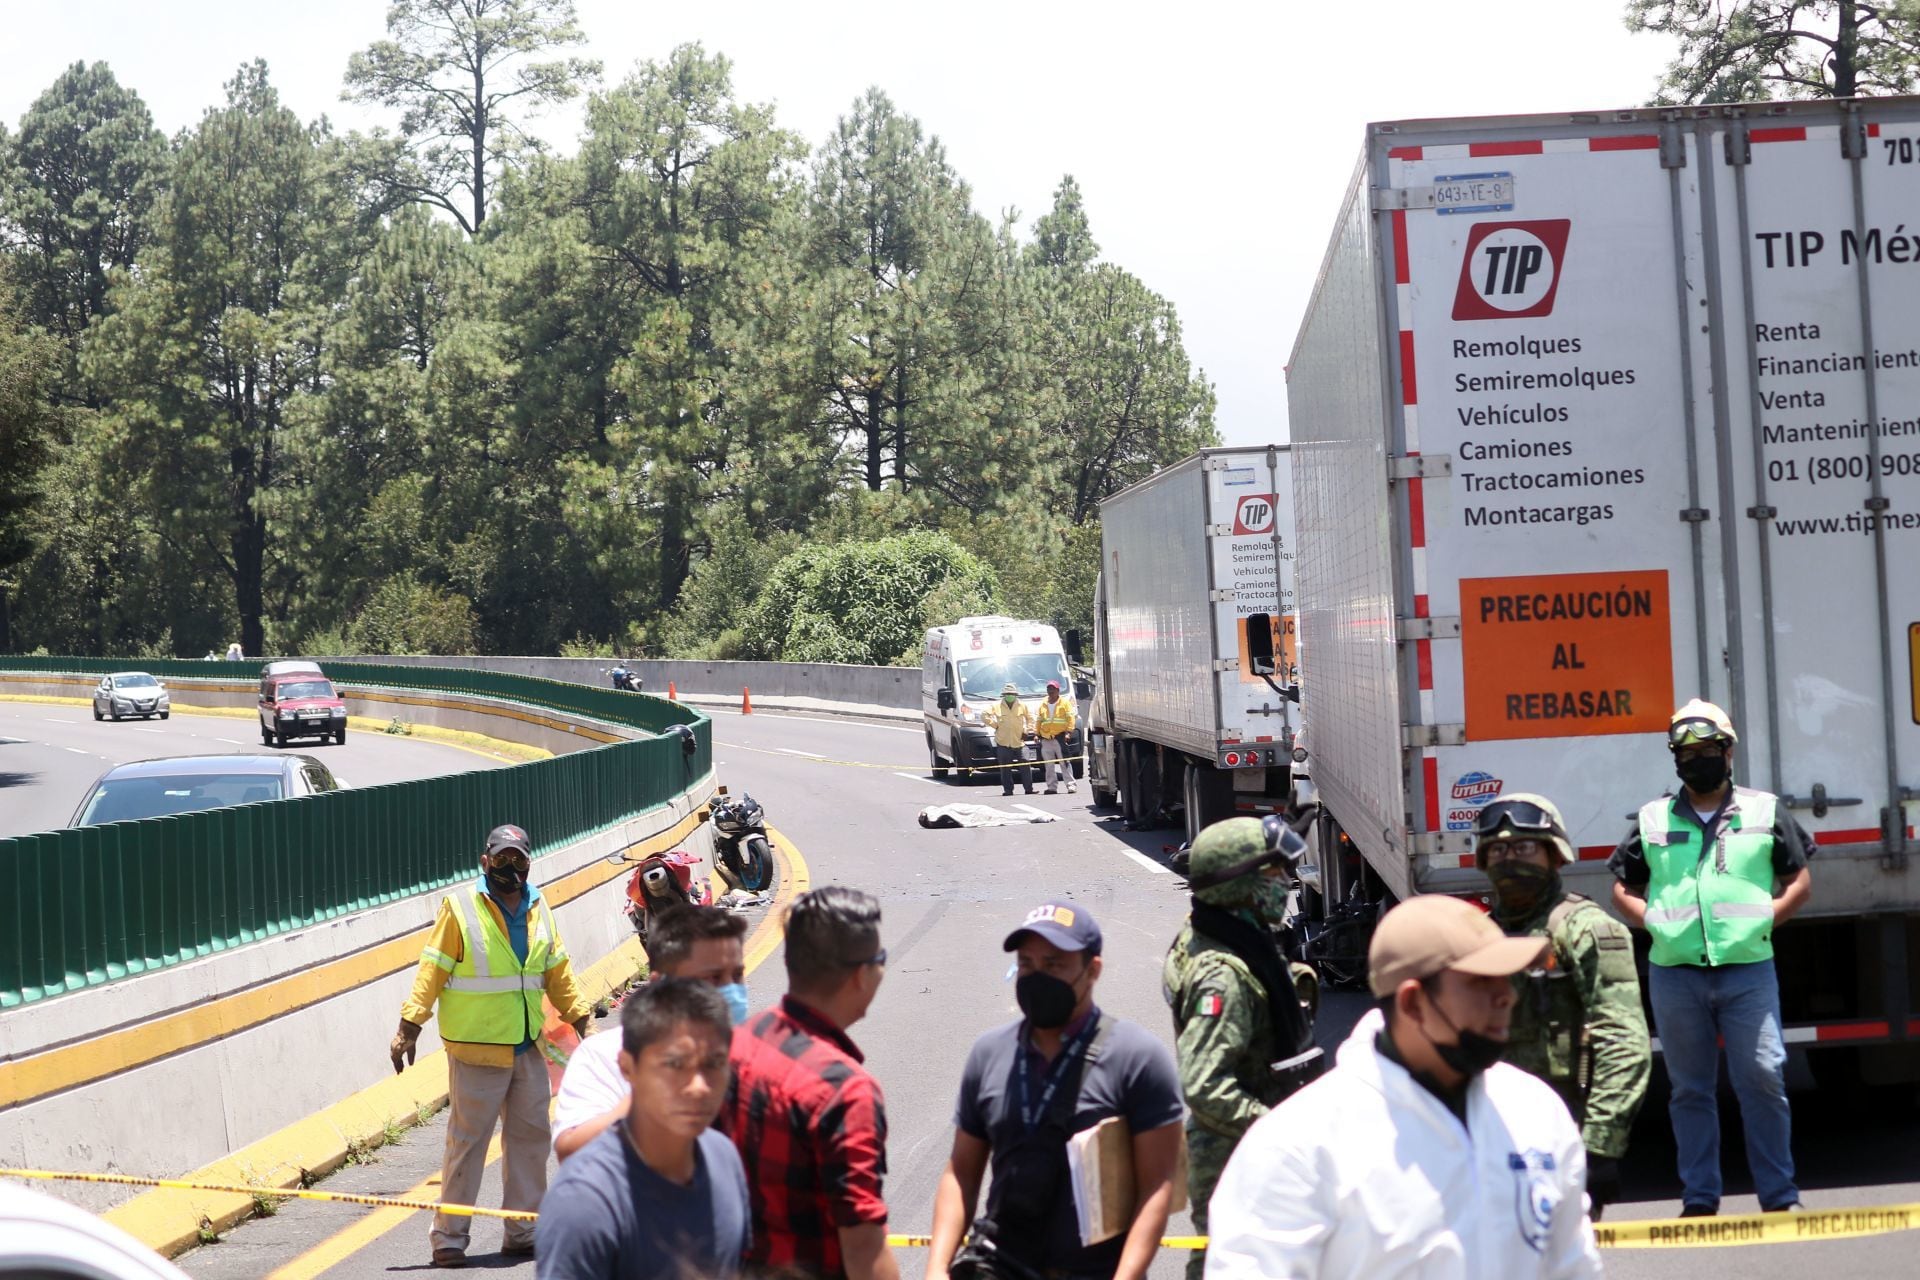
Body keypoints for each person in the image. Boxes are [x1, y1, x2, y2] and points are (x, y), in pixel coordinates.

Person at [1203, 895, 1601, 1279]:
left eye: (1508, 979)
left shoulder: (1535, 1110)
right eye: (1481, 982)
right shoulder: (1298, 1146)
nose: (1507, 996)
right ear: (1412, 1003)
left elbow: (1573, 1265)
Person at [1609, 698, 1813, 1217]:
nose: (1695, 759)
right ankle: (1699, 1198)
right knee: (1689, 1090)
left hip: (1748, 969)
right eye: (1685, 752)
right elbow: (1622, 889)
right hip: (1675, 974)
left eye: (1706, 749)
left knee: (1764, 1078)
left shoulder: (1764, 811)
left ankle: (1780, 1196)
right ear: (1674, 759)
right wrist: (1650, 919)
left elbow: (1799, 880)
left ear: (1728, 752)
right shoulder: (1653, 818)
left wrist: (1769, 916)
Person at [928, 903, 1185, 1280]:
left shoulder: (1138, 1058)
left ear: (1092, 971)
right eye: (1027, 964)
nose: (1036, 976)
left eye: (1054, 964)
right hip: (1003, 1267)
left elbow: (1157, 1185)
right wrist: (937, 1267)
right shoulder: (989, 1054)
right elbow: (961, 1173)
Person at [389, 823, 595, 1269]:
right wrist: (410, 1024)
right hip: (476, 1049)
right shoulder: (461, 907)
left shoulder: (539, 905)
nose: (509, 867)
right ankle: (448, 1238)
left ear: (528, 862)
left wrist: (582, 1019)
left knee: (531, 1140)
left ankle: (522, 1231)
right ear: (485, 861)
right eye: (500, 858)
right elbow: (433, 967)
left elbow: (557, 969)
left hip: (526, 1045)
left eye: (517, 859)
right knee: (468, 1143)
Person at [1473, 792, 1648, 1220]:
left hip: (1560, 1137)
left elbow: (1623, 1040)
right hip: (1485, 1138)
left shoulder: (1586, 929)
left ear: (1555, 856)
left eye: (1525, 848)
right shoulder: (1475, 937)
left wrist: (1599, 1148)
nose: (1510, 859)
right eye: (1499, 849)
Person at [1163, 817, 1321, 1280]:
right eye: (1273, 876)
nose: (1284, 886)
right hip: (1238, 1158)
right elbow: (1205, 1086)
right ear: (1239, 885)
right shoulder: (1223, 973)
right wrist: (1280, 1133)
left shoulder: (1222, 931)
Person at [721, 887, 898, 1280]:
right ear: (860, 976)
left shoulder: (743, 1039)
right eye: (881, 960)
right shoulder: (845, 1091)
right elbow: (863, 1244)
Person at [536, 979, 752, 1280]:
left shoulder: (723, 1158)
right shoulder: (583, 1201)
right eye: (676, 1065)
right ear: (628, 1068)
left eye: (713, 1063)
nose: (699, 1086)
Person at [552, 906, 750, 1161]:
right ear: (661, 985)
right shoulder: (605, 1054)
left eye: (736, 975)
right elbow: (571, 1151)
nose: (730, 990)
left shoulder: (756, 1053)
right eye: (713, 978)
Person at [981, 682, 1035, 797]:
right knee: (1005, 768)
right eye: (1007, 694)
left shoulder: (1022, 705)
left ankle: (1029, 788)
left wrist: (1027, 730)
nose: (1010, 696)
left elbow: (1031, 718)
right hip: (1003, 742)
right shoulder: (997, 705)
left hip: (1019, 741)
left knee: (1025, 763)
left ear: (1016, 695)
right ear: (1004, 695)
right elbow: (984, 715)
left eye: (1012, 694)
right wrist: (995, 725)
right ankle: (1008, 790)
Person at [1035, 680, 1077, 795]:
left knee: (1064, 762)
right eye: (1049, 689)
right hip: (1046, 738)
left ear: (1058, 691)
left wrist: (1069, 732)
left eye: (1053, 689)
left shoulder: (1064, 703)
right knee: (1049, 765)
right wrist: (1036, 734)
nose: (1050, 691)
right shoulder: (1043, 704)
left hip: (1060, 738)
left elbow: (1071, 718)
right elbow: (1039, 720)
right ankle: (1052, 787)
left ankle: (1071, 785)